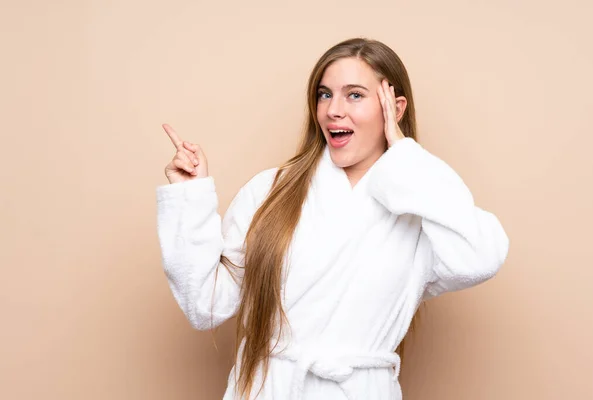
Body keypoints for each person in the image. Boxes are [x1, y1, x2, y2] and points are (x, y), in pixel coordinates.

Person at [156, 37, 509, 400]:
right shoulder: (270, 191)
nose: (333, 111)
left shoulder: (420, 212)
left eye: (354, 95)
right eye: (325, 95)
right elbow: (204, 305)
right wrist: (190, 199)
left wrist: (404, 157)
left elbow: (481, 255)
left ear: (395, 108)